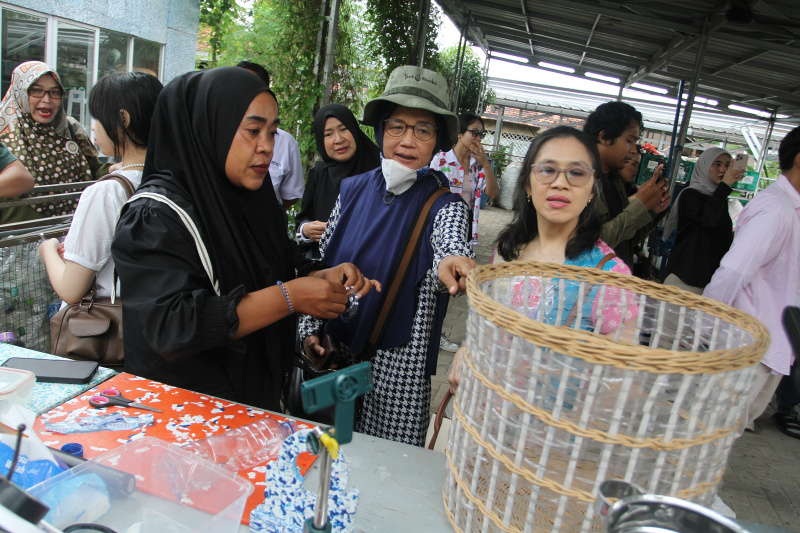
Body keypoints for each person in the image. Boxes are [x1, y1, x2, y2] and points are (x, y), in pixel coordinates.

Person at [110, 67, 377, 411]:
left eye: (273, 132)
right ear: (210, 128)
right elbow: (173, 326)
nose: (267, 147)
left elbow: (278, 258)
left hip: (252, 400)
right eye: (253, 131)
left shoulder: (251, 196)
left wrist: (319, 274)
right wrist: (290, 297)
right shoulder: (155, 216)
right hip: (186, 413)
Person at [299, 66, 477, 447]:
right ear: (381, 130)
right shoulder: (351, 190)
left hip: (397, 381)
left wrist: (452, 263)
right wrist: (308, 330)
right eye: (397, 126)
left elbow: (449, 249)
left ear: (437, 140)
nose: (408, 140)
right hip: (334, 357)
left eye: (423, 130)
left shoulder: (445, 207)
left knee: (385, 470)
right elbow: (321, 269)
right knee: (326, 459)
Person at [449, 126, 635, 393]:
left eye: (577, 173)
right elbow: (485, 324)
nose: (560, 183)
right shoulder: (508, 250)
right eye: (547, 170)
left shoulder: (610, 275)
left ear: (593, 189)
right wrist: (466, 350)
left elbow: (619, 380)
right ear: (527, 183)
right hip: (485, 407)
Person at [704, 125, 800, 432]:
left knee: (720, 438)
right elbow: (734, 271)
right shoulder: (775, 208)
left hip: (768, 347)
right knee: (709, 435)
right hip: (748, 347)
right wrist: (703, 326)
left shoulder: (791, 209)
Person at [39, 72, 162, 304]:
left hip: (115, 321)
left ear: (123, 118)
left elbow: (70, 289)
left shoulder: (107, 192)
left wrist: (48, 250)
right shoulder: (172, 179)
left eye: (98, 118)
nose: (94, 127)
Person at [0, 61, 109, 223]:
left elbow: (95, 171)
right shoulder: (4, 133)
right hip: (18, 234)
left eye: (54, 92)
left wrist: (116, 168)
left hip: (71, 229)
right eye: (36, 91)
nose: (47, 99)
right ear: (20, 92)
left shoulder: (70, 128)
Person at [583, 101, 670, 269]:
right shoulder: (579, 181)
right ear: (604, 137)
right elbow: (590, 243)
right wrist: (640, 206)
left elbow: (625, 240)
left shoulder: (613, 181)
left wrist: (652, 210)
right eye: (630, 140)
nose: (633, 150)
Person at [295, 103, 380, 258]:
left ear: (354, 129)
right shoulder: (319, 173)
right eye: (328, 134)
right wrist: (307, 230)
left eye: (343, 129)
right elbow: (303, 220)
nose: (338, 139)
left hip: (371, 262)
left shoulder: (380, 171)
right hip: (326, 266)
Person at [661, 148, 744, 294]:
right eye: (717, 164)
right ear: (704, 166)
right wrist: (724, 188)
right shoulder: (690, 195)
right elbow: (707, 220)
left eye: (727, 165)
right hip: (685, 278)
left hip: (708, 280)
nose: (723, 170)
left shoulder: (720, 200)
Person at [236, 61, 303, 210]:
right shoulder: (215, 139)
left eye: (272, 133)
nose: (266, 147)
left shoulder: (286, 143)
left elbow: (290, 196)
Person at [430, 112, 500, 246]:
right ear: (460, 133)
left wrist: (486, 164)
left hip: (466, 223)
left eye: (481, 134)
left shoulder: (478, 164)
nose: (478, 138)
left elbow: (493, 193)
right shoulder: (441, 160)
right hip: (441, 220)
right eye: (474, 133)